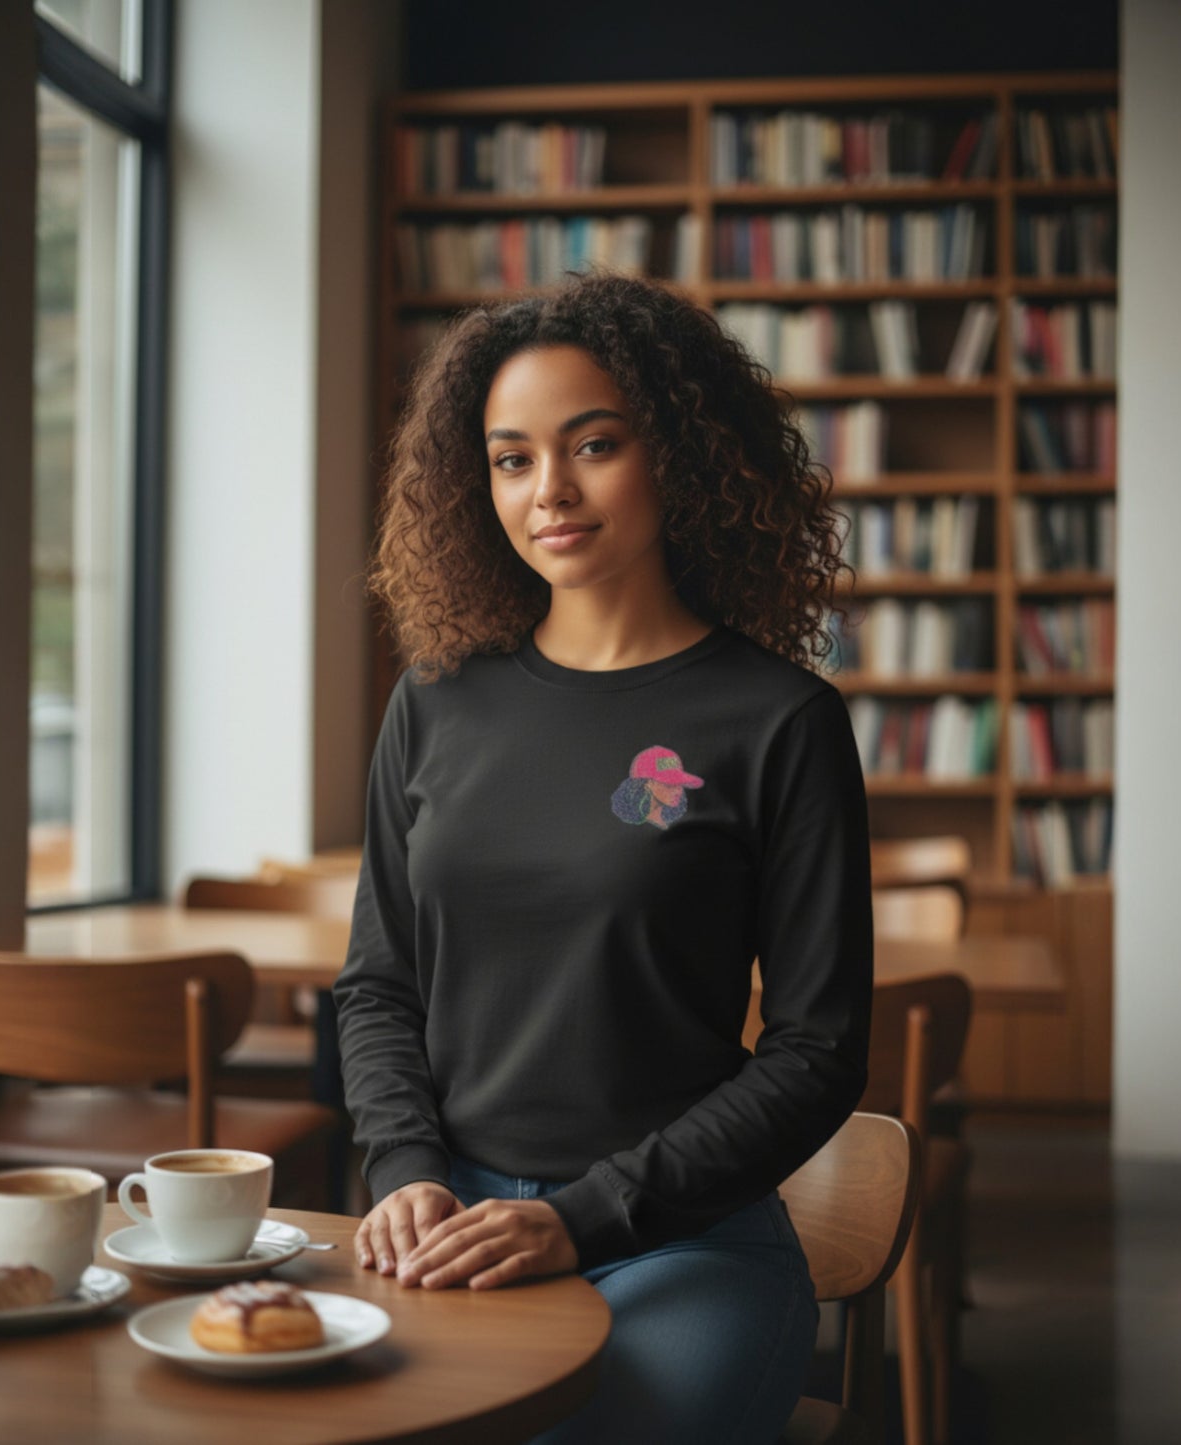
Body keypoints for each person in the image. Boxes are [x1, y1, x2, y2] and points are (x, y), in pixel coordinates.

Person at [332, 270, 872, 1444]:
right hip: (446, 1224)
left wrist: (579, 1216)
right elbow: (377, 982)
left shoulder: (779, 720)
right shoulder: (433, 700)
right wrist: (405, 1167)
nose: (549, 491)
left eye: (593, 444)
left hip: (679, 1241)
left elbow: (817, 1050)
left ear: (678, 454)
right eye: (510, 458)